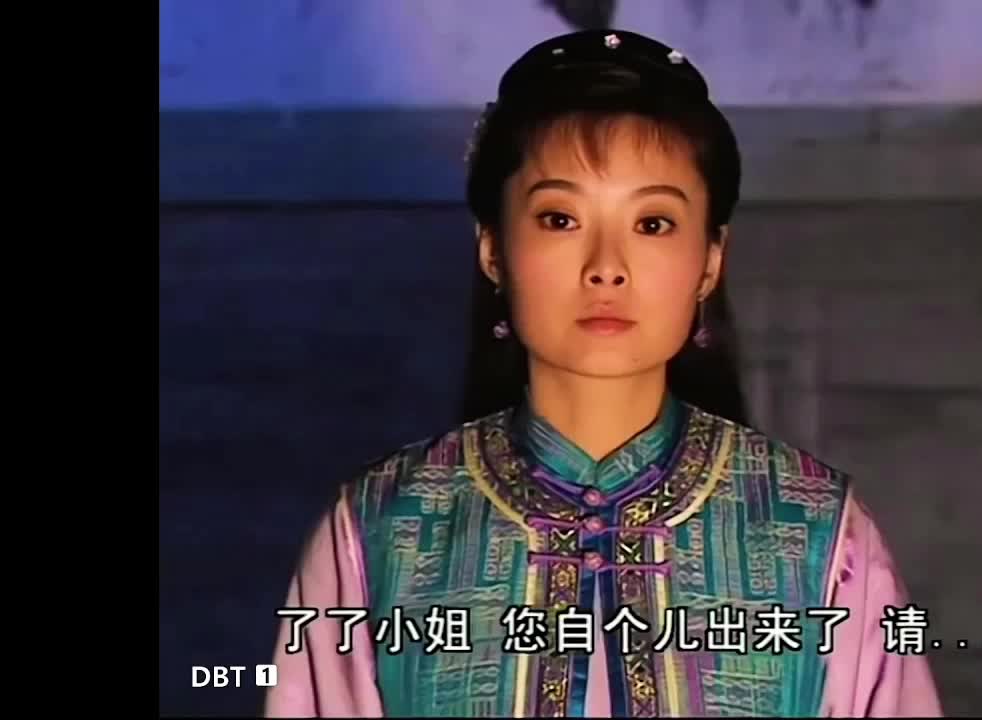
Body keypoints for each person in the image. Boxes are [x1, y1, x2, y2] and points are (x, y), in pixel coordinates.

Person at [263, 28, 942, 718]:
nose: (606, 267)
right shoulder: (378, 529)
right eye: (560, 218)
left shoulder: (821, 532)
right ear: (494, 250)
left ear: (710, 260)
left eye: (653, 224)